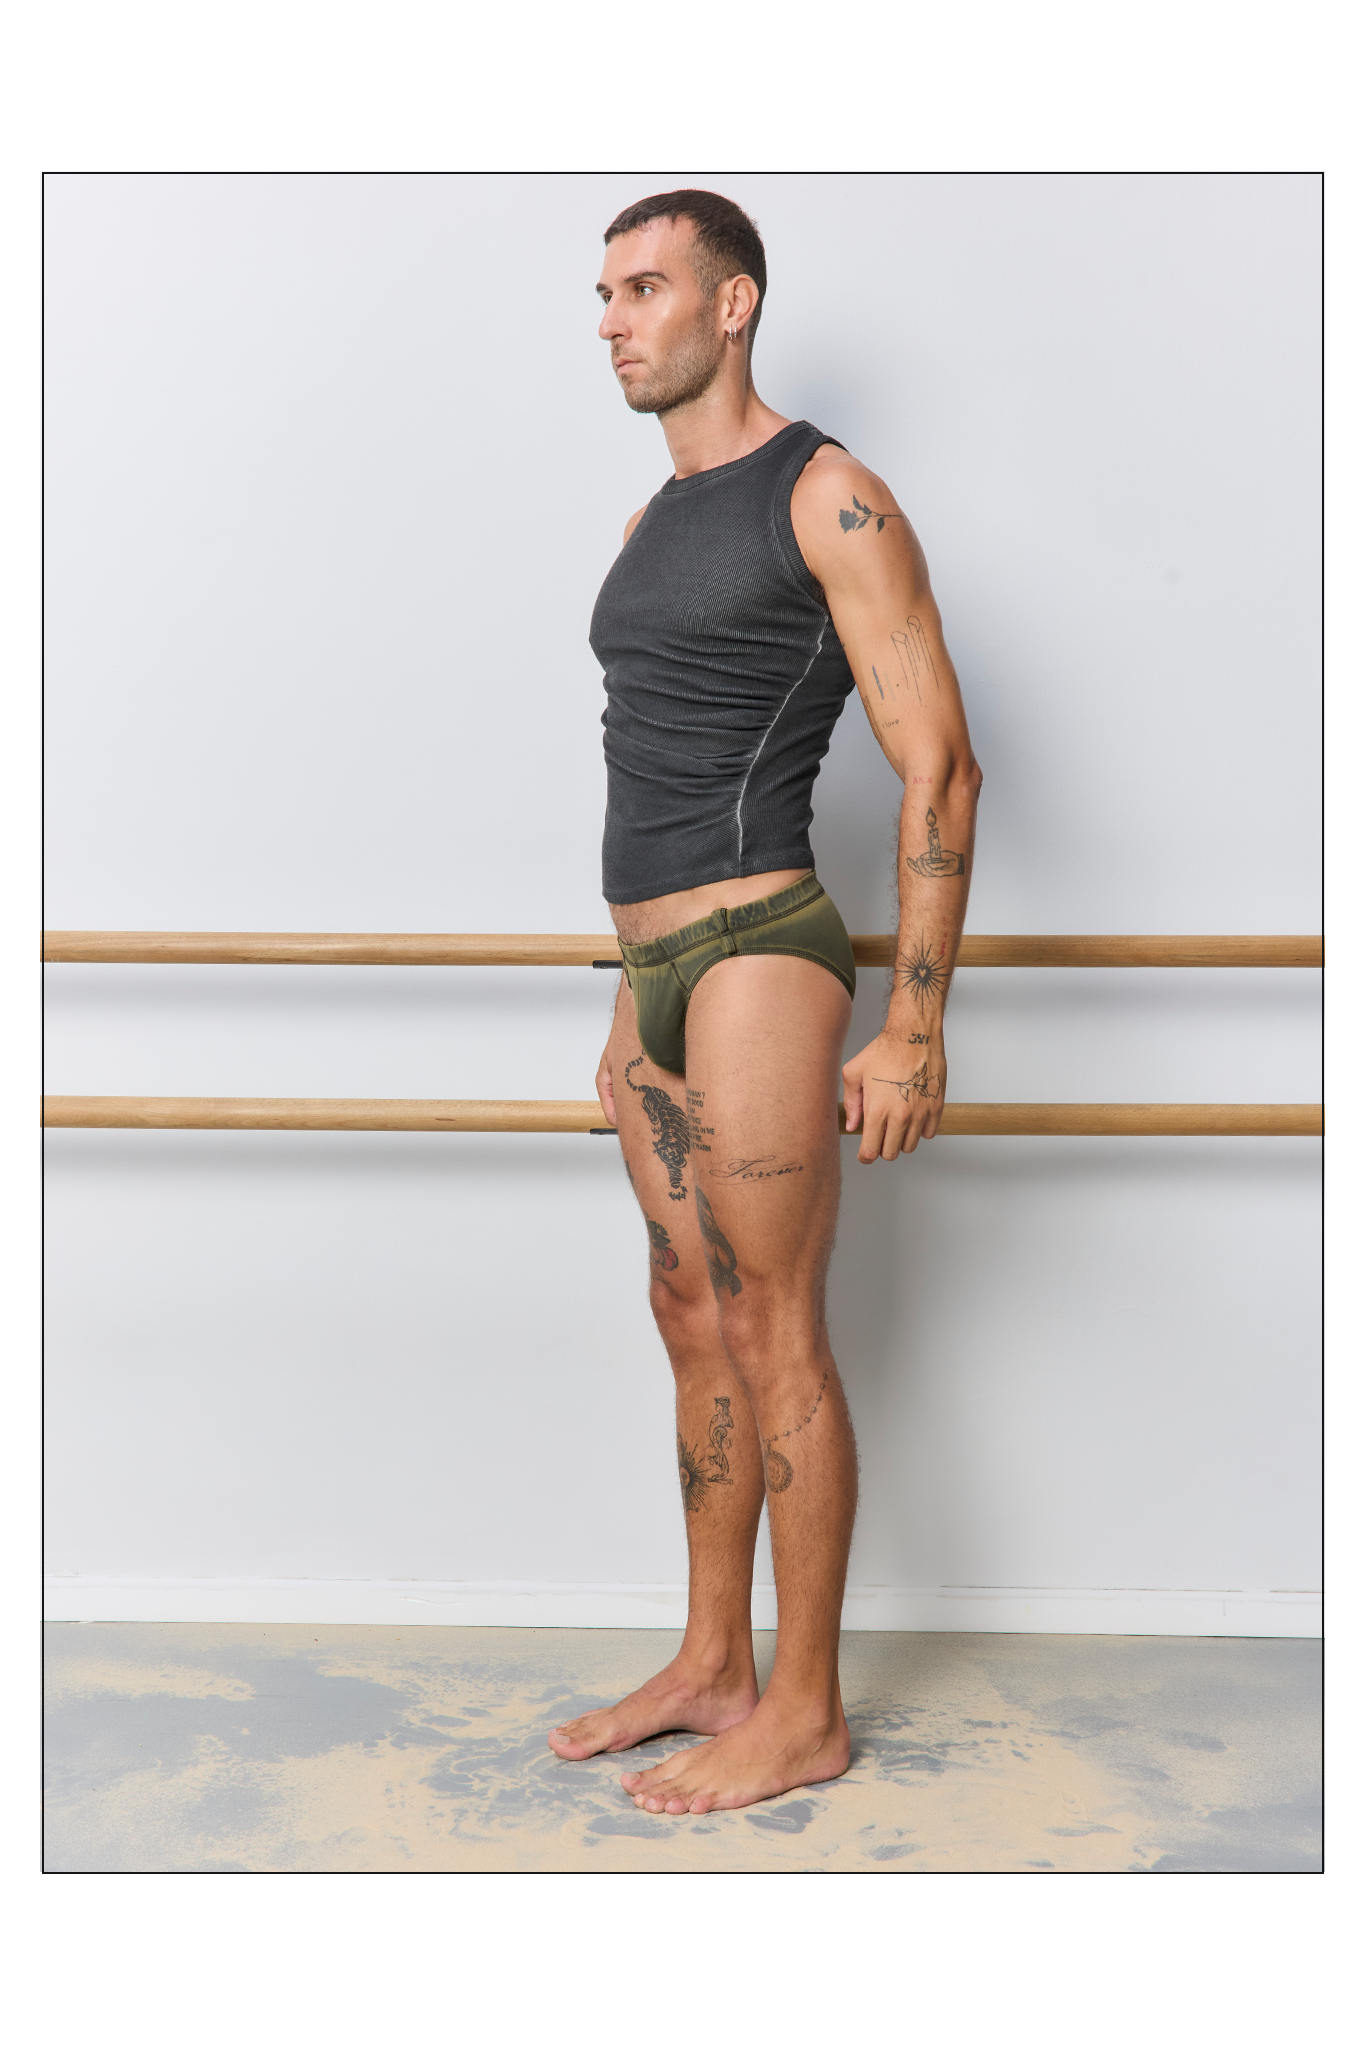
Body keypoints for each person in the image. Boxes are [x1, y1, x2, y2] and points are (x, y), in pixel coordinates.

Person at [547, 190, 983, 1815]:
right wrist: (624, 1000)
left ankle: (805, 1709)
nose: (613, 320)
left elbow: (940, 765)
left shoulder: (830, 494)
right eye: (604, 293)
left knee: (772, 1321)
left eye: (645, 287)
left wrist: (916, 1025)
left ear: (732, 305)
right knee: (688, 1308)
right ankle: (714, 1662)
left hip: (759, 947)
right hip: (654, 972)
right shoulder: (651, 520)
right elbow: (648, 764)